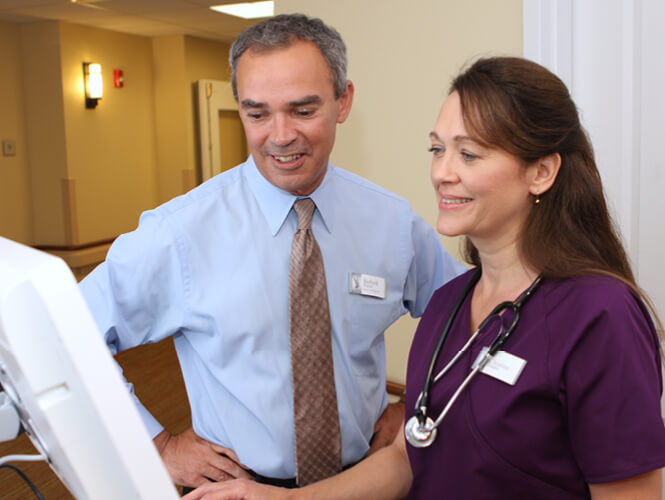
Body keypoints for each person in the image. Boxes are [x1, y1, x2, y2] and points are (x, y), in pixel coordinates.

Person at [181, 57, 665, 500]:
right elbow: (409, 453)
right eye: (438, 149)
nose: (441, 173)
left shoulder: (600, 316)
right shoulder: (449, 302)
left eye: (469, 155)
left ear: (541, 172)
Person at [78, 13, 465, 491]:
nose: (280, 136)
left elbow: (476, 318)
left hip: (365, 482)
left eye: (303, 111)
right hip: (239, 486)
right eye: (257, 113)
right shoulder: (177, 234)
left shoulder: (392, 223)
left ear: (343, 101)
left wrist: (414, 403)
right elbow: (67, 334)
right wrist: (154, 446)